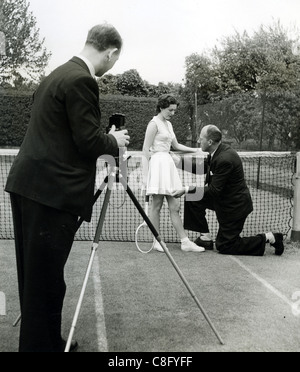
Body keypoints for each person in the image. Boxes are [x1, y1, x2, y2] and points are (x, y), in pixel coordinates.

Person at [5, 24, 130, 352]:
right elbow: (89, 141)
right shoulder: (82, 80)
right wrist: (113, 140)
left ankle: (46, 342)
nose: (111, 65)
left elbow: (60, 133)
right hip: (50, 192)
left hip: (30, 186)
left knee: (41, 279)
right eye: (114, 60)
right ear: (111, 52)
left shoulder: (56, 74)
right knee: (44, 281)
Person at [172, 125, 284, 256]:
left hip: (234, 207)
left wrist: (185, 188)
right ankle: (205, 238)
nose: (198, 141)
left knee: (225, 246)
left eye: (201, 138)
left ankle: (270, 237)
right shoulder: (215, 152)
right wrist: (179, 162)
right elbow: (203, 168)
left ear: (209, 142)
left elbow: (214, 190)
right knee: (193, 196)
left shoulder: (225, 159)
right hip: (222, 199)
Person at [142, 94, 205, 253]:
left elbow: (175, 145)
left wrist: (196, 150)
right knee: (156, 205)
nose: (172, 113)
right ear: (162, 107)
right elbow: (145, 150)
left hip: (168, 164)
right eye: (170, 110)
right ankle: (157, 241)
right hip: (158, 164)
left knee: (175, 205)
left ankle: (185, 242)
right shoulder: (153, 124)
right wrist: (146, 175)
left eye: (174, 110)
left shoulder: (169, 125)